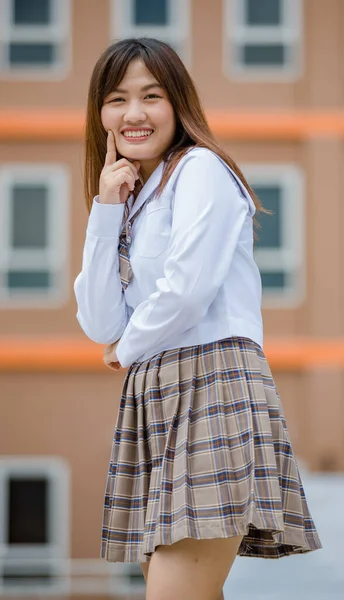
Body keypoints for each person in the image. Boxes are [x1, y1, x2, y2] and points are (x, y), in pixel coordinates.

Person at [74, 37, 322, 600]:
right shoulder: (132, 197)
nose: (133, 114)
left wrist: (128, 345)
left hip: (211, 383)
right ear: (100, 113)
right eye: (117, 99)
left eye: (151, 96)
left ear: (177, 102)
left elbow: (187, 291)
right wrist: (105, 209)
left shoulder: (201, 170)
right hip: (154, 396)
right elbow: (98, 320)